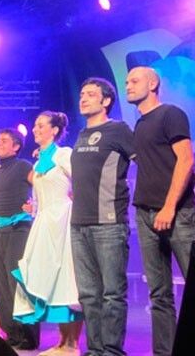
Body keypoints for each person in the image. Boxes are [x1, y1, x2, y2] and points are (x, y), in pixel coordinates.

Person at [126, 66, 195, 356]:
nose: (128, 85)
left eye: (134, 81)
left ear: (153, 83)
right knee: (158, 293)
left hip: (177, 214)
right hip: (145, 215)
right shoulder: (139, 124)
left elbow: (186, 159)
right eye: (126, 82)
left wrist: (169, 206)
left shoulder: (171, 114)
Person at [70, 77, 134, 356]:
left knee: (112, 294)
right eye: (82, 94)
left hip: (109, 224)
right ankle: (95, 350)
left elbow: (145, 160)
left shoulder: (118, 130)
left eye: (91, 94)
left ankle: (111, 351)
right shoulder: (81, 135)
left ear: (106, 101)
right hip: (78, 225)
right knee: (88, 294)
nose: (83, 98)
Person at [13, 112, 83, 356]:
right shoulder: (38, 162)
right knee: (50, 280)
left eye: (41, 125)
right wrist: (33, 208)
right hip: (44, 223)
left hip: (63, 220)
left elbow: (80, 182)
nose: (35, 129)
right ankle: (62, 341)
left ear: (54, 130)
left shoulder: (64, 154)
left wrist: (73, 204)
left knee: (67, 280)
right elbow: (40, 195)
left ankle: (73, 344)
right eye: (35, 125)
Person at [0, 128, 40, 350]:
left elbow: (42, 186)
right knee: (2, 284)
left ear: (16, 146)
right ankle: (11, 332)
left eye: (4, 141)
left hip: (18, 229)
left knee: (18, 282)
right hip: (0, 230)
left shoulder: (23, 166)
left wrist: (35, 205)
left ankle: (28, 335)